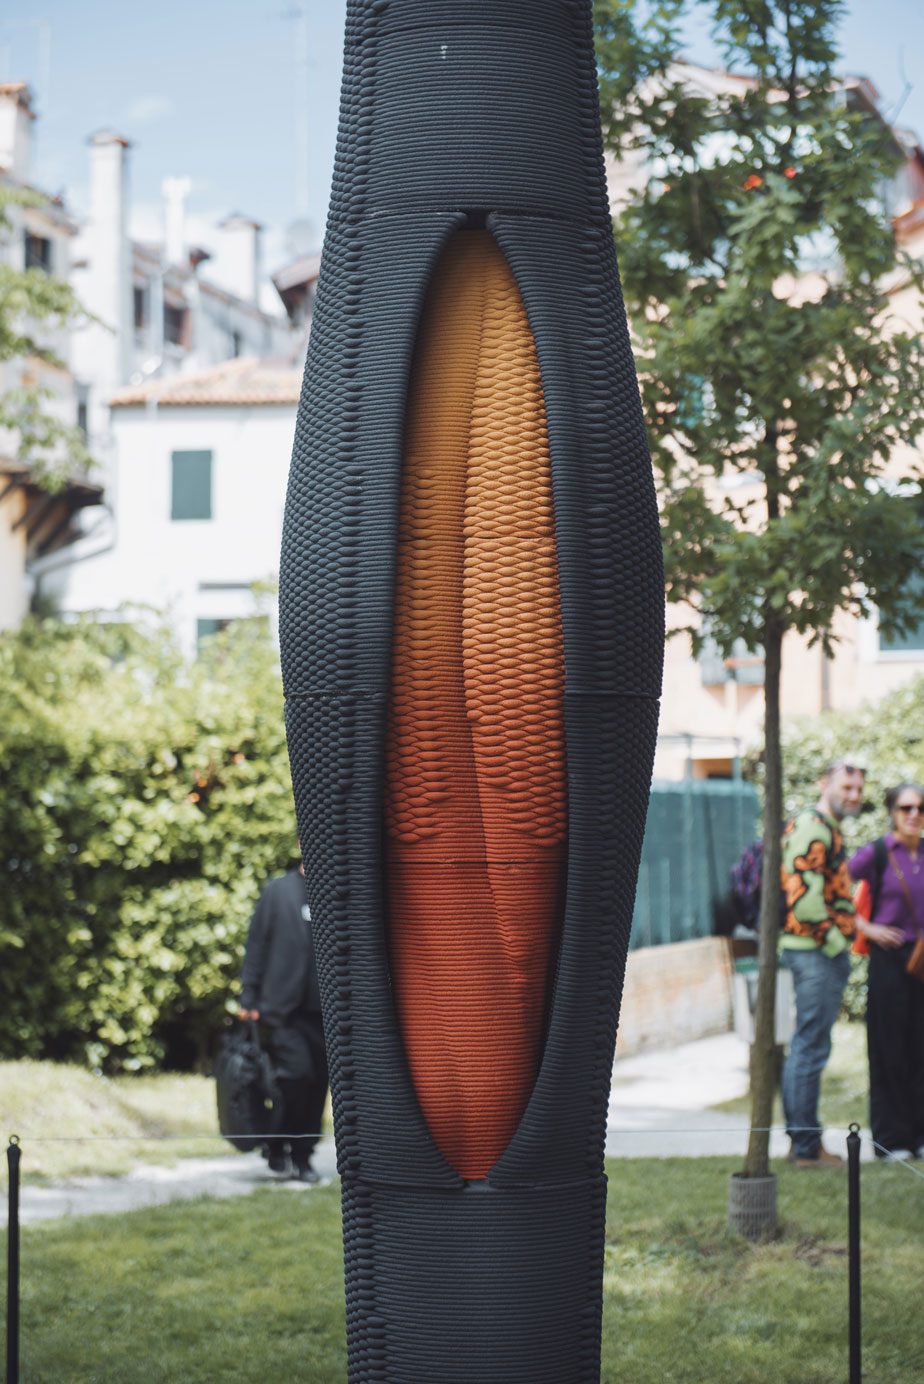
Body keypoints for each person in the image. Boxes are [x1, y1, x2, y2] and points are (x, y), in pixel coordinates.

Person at [780, 758, 865, 1168]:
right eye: (845, 786)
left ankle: (805, 1144)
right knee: (809, 1047)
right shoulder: (813, 826)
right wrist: (837, 942)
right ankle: (805, 1148)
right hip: (813, 950)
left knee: (810, 1045)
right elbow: (804, 897)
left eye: (857, 789)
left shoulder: (827, 827)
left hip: (817, 950)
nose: (853, 795)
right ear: (824, 783)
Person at [239, 860, 328, 1182]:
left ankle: (303, 1157)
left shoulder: (334, 891)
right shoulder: (278, 890)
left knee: (317, 1085)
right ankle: (276, 1144)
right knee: (295, 1078)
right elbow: (257, 944)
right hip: (282, 1011)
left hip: (325, 1012)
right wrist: (249, 998)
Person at [849, 782, 924, 1160]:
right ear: (893, 812)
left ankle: (920, 1136)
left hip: (923, 958)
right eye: (906, 808)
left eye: (920, 809)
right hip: (889, 959)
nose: (914, 815)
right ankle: (892, 1140)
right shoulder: (877, 853)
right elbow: (834, 885)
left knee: (921, 1046)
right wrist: (866, 927)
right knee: (889, 1046)